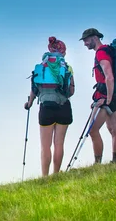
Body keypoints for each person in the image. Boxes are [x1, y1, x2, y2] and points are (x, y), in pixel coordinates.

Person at [24, 37, 75, 176]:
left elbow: (34, 89)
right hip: (63, 107)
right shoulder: (67, 67)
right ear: (63, 51)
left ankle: (45, 177)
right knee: (59, 144)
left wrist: (29, 104)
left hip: (46, 108)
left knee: (45, 146)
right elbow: (71, 91)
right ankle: (56, 174)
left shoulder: (41, 67)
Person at [79, 27, 116, 164]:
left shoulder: (101, 53)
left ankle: (97, 164)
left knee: (92, 130)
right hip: (114, 95)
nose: (85, 43)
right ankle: (115, 162)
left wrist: (107, 99)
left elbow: (109, 76)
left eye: (86, 40)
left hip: (105, 97)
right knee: (113, 128)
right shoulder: (106, 51)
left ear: (95, 38)